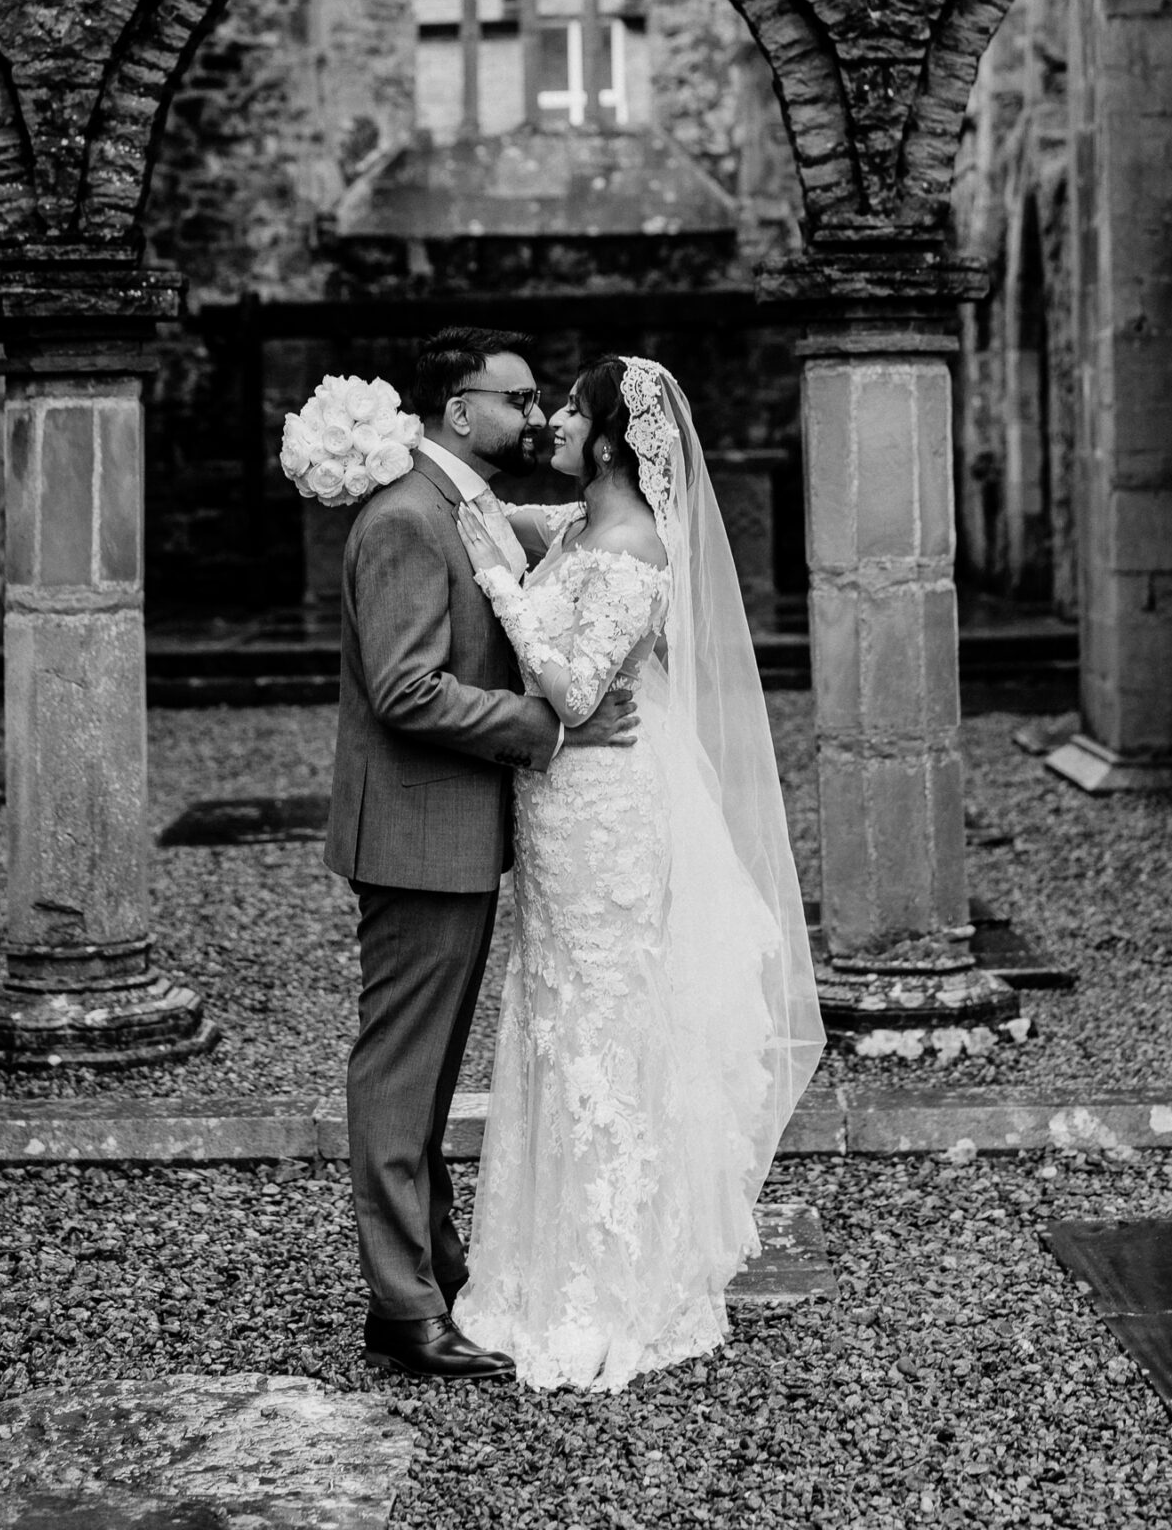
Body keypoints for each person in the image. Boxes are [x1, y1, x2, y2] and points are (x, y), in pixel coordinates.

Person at [452, 353, 823, 1392]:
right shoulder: (577, 527)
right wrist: (474, 506)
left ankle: (609, 1282)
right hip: (560, 804)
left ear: (611, 436)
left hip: (604, 806)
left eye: (569, 409)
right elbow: (521, 521)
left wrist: (497, 586)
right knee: (552, 1010)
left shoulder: (634, 548)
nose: (553, 421)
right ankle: (533, 1264)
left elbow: (573, 693)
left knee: (603, 1018)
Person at [325, 326, 641, 1384]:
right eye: (519, 396)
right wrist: (544, 729)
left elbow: (533, 545)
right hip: (418, 837)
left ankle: (438, 1268)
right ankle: (403, 1308)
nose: (539, 411)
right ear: (462, 411)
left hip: (455, 834)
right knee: (400, 1072)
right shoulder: (408, 516)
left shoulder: (459, 500)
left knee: (428, 1075)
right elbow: (406, 687)